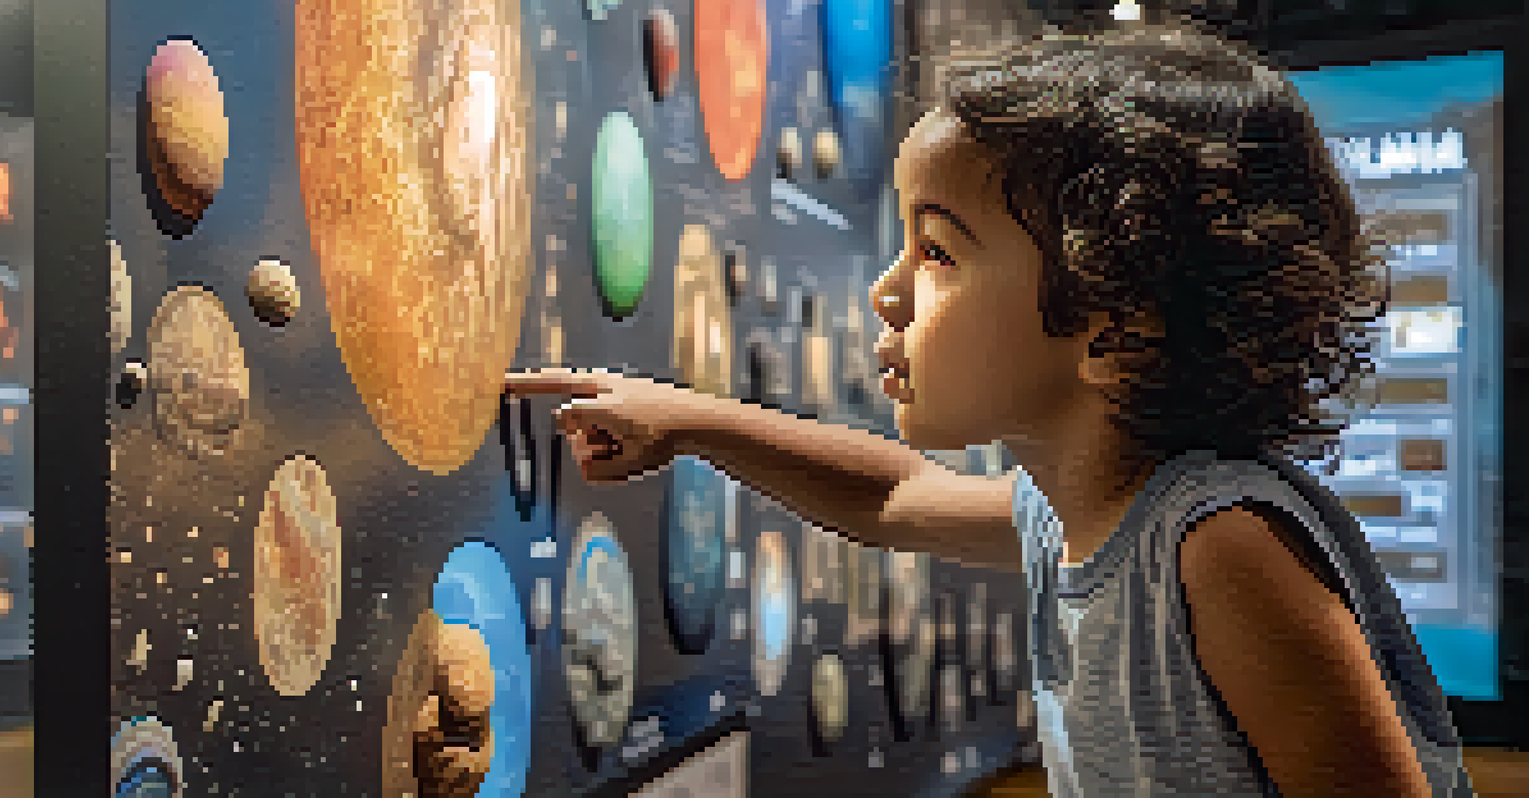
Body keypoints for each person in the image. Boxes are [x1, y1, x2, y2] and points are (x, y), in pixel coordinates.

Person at [502, 18, 1474, 798]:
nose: (887, 294)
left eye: (937, 252)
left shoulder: (1219, 546)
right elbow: (893, 499)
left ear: (1111, 325)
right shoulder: (1077, 514)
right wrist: (689, 419)